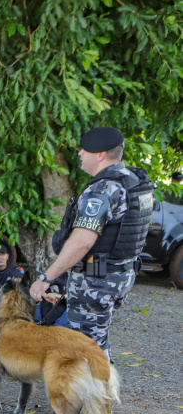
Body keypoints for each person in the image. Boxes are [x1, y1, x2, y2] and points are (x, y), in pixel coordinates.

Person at [30, 126, 154, 361]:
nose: (79, 154)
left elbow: (82, 242)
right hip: (117, 276)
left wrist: (46, 278)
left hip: (95, 281)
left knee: (84, 350)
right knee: (96, 342)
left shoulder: (102, 190)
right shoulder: (133, 180)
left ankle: (93, 397)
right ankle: (104, 394)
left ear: (100, 155)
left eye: (84, 150)